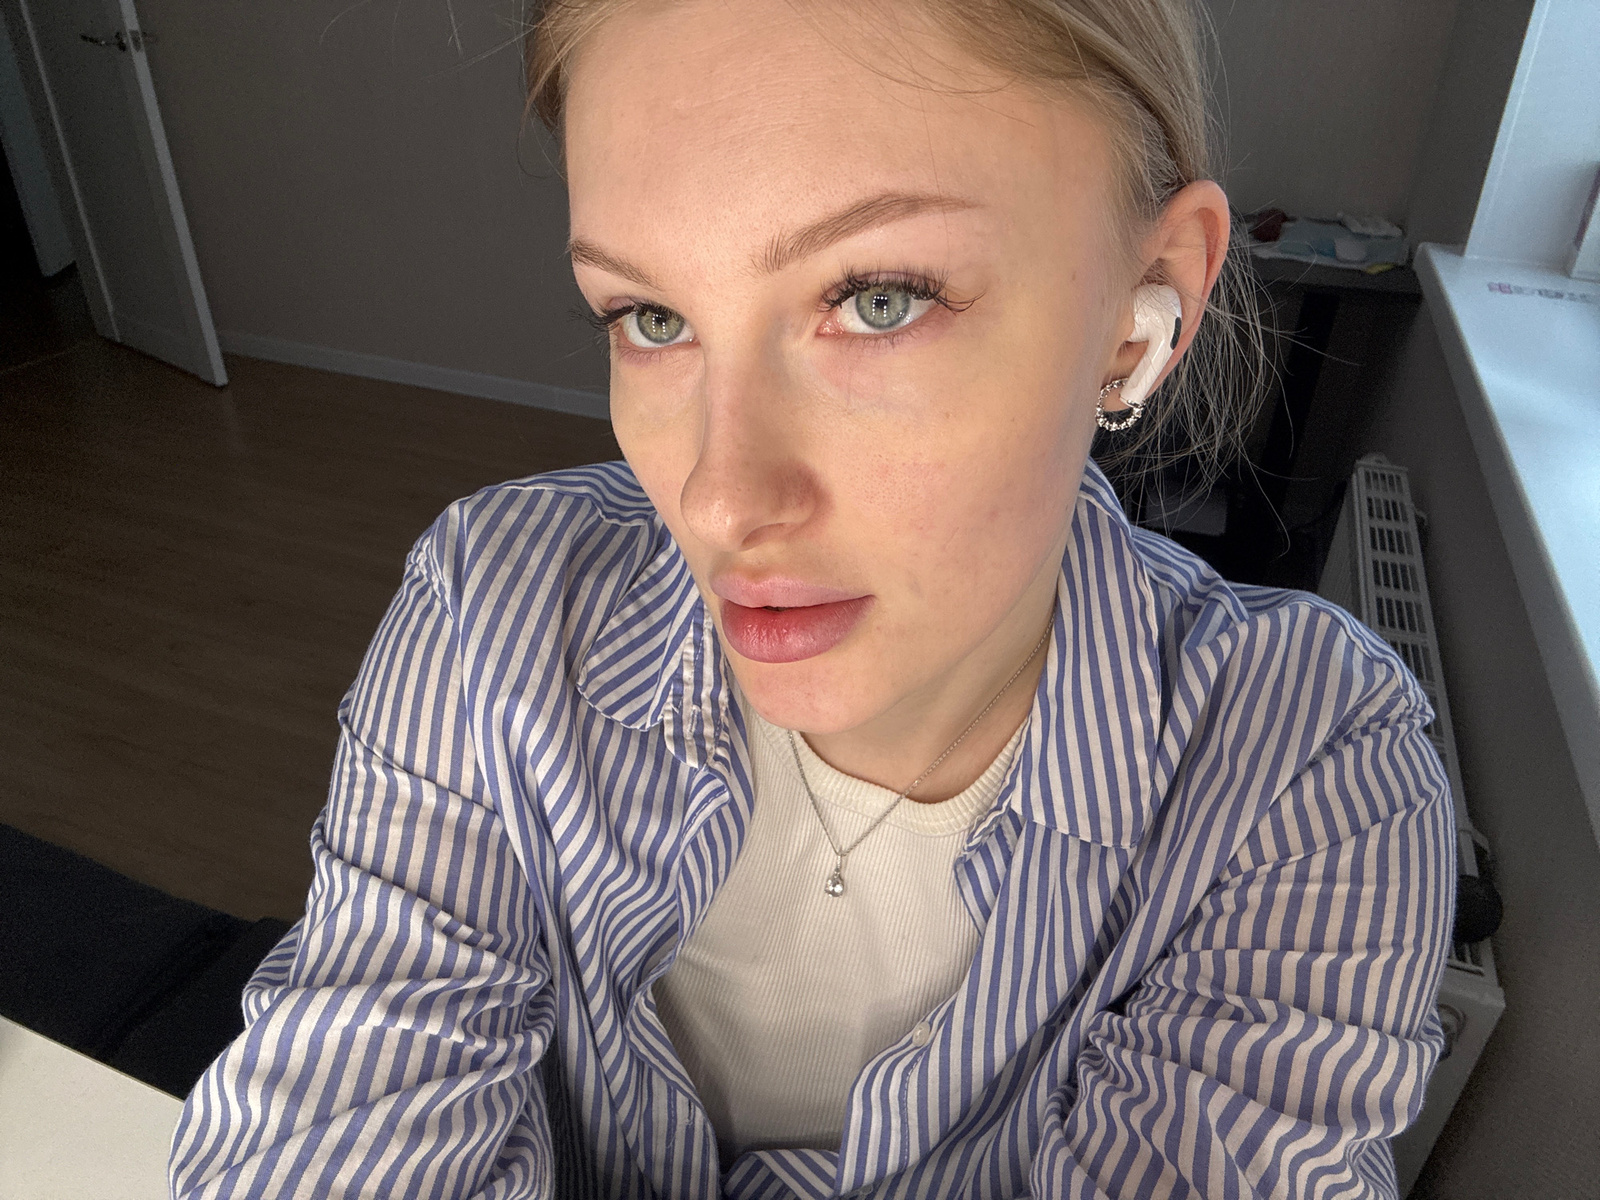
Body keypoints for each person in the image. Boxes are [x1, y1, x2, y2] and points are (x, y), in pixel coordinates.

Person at [169, 0, 1456, 1196]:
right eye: (650, 317)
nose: (719, 501)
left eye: (879, 301)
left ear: (1141, 309)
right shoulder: (495, 612)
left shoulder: (1308, 773)